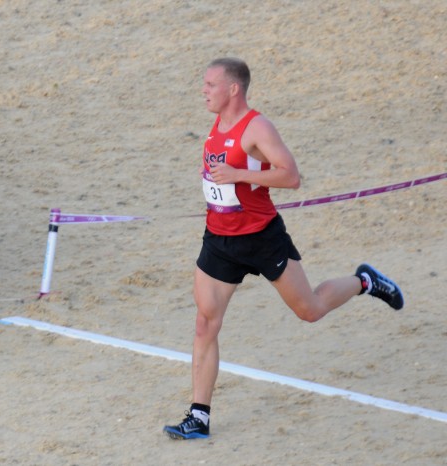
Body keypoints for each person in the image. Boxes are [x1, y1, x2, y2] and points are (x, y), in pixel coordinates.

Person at [163, 57, 404, 440]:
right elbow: (225, 169)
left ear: (233, 89)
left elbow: (291, 176)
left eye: (210, 84)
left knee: (309, 310)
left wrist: (238, 174)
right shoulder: (217, 123)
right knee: (205, 323)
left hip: (262, 238)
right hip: (219, 239)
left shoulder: (256, 126)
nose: (203, 90)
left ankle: (364, 282)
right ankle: (199, 416)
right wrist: (212, 176)